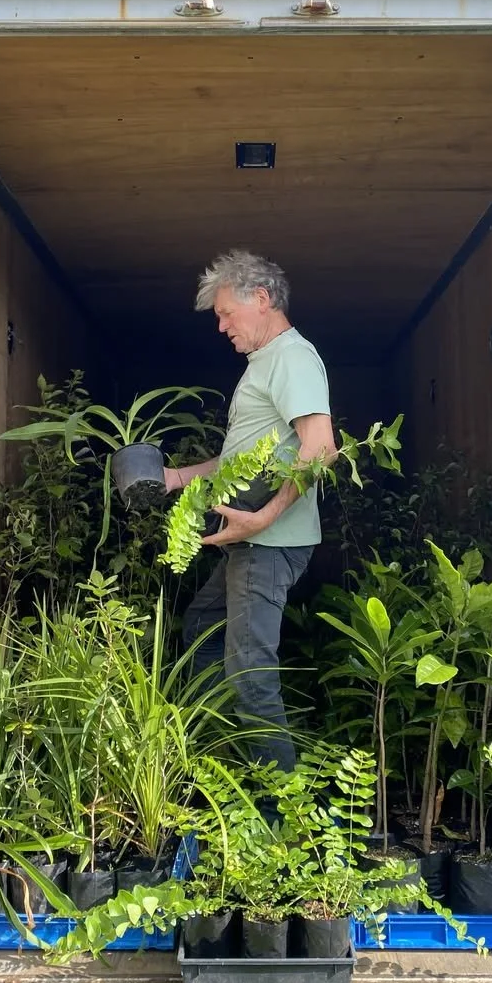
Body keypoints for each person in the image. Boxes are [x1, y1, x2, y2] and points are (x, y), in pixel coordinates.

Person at [164, 251, 336, 771]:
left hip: (268, 543)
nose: (221, 327)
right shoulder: (266, 362)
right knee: (202, 626)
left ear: (261, 300)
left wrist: (262, 518)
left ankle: (279, 819)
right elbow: (240, 459)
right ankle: (225, 764)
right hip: (252, 542)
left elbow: (321, 449)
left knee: (250, 675)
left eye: (226, 314)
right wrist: (175, 478)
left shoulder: (291, 357)